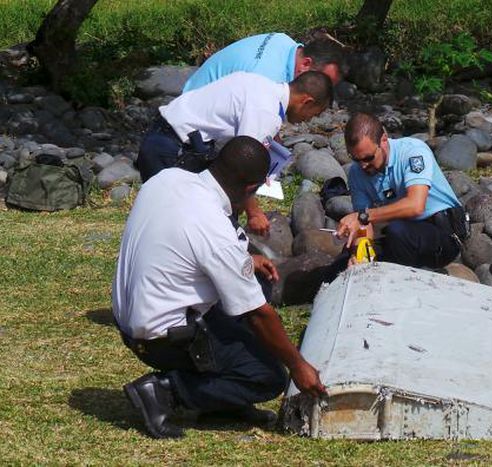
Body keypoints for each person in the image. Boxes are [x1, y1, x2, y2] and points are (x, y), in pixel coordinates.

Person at [114, 136, 326, 439]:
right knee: (266, 376)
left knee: (259, 285)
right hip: (161, 337)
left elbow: (183, 245)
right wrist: (298, 365)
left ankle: (223, 401)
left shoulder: (168, 178)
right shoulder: (213, 226)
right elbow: (259, 315)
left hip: (131, 316)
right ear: (251, 189)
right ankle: (165, 391)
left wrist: (247, 260)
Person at [136, 70, 333, 236]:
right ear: (307, 101)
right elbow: (244, 166)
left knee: (168, 219)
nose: (307, 121)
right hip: (174, 149)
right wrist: (254, 213)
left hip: (163, 135)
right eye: (313, 114)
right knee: (176, 226)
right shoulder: (266, 112)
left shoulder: (259, 83)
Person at [335, 112, 468, 270]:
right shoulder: (357, 173)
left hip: (443, 235)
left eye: (368, 158)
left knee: (397, 231)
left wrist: (363, 216)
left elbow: (415, 206)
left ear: (384, 140)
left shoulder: (412, 152)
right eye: (356, 159)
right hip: (404, 234)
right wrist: (359, 255)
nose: (363, 165)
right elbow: (363, 226)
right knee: (343, 262)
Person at [183, 33, 345, 92]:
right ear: (305, 64)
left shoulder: (284, 40)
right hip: (193, 122)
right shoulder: (268, 80)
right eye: (324, 83)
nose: (324, 93)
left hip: (196, 88)